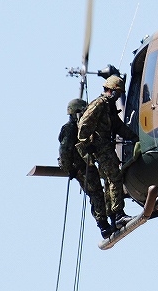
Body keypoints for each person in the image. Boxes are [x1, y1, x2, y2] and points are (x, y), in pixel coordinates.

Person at [76, 75, 139, 232]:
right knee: (115, 177)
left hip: (105, 147)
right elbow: (83, 124)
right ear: (112, 91)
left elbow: (118, 126)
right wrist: (87, 144)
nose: (118, 97)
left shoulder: (108, 106)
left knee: (109, 181)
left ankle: (112, 215)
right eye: (118, 93)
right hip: (101, 148)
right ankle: (118, 214)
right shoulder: (99, 104)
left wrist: (135, 138)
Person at [58, 98, 112, 238]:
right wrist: (70, 169)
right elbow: (64, 151)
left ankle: (111, 216)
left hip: (89, 163)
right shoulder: (70, 129)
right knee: (95, 193)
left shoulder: (84, 125)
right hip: (80, 167)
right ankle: (103, 224)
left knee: (105, 186)